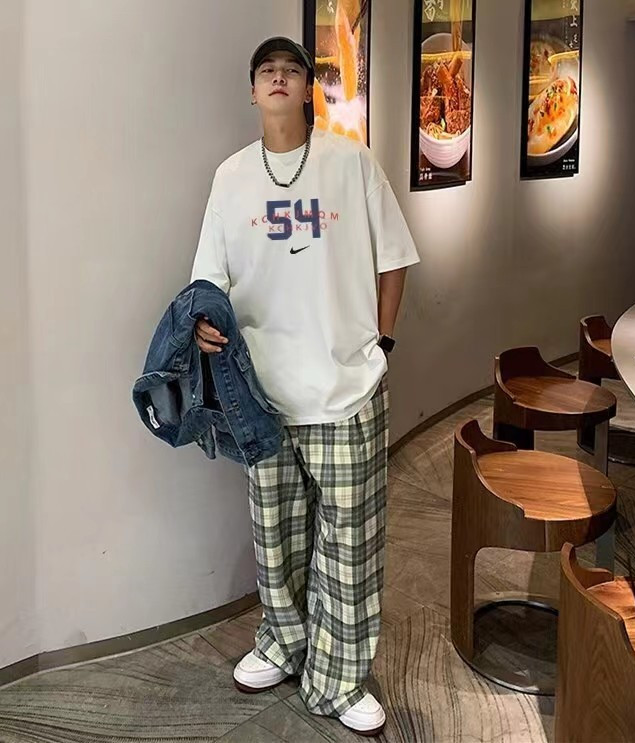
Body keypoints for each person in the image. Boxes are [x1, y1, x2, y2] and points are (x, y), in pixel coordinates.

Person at [189, 36, 419, 737]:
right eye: (268, 71)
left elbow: (394, 258)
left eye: (292, 70)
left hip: (346, 389)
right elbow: (209, 280)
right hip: (262, 397)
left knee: (351, 546)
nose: (280, 78)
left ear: (306, 89)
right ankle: (283, 644)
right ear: (252, 91)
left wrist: (381, 343)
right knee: (277, 539)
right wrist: (204, 325)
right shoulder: (231, 177)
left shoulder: (351, 162)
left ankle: (341, 676)